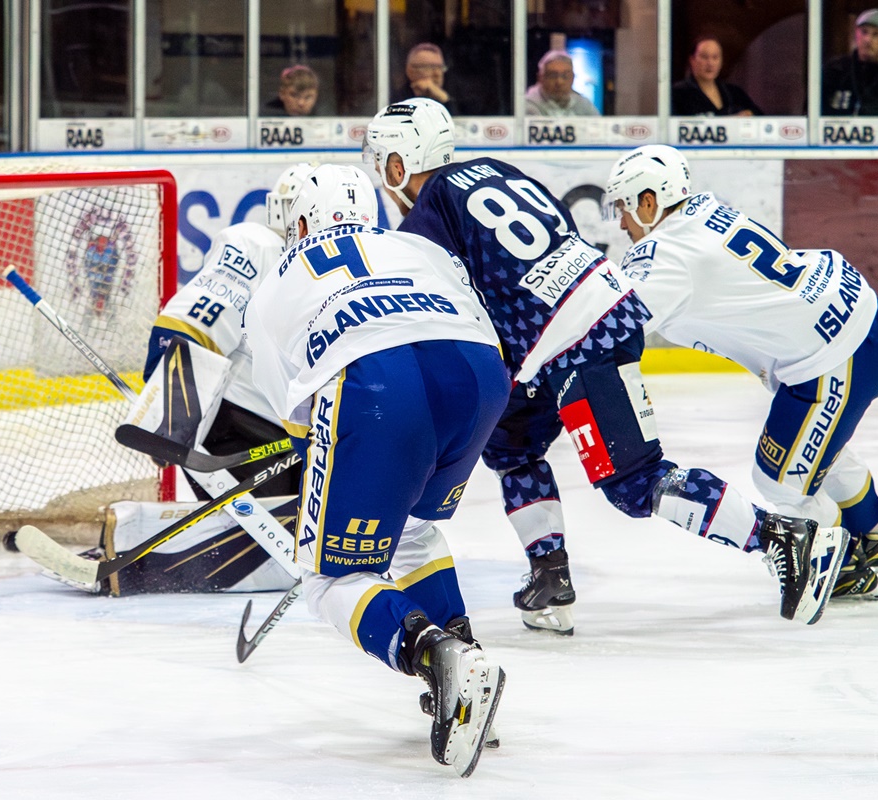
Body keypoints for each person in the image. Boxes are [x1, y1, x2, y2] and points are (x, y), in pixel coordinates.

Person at [363, 98, 848, 634]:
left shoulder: (427, 213)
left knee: (634, 483)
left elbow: (445, 304)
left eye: (383, 161)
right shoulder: (497, 171)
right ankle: (550, 574)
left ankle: (780, 537)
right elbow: (560, 233)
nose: (383, 176)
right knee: (511, 445)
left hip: (575, 339)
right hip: (580, 325)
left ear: (398, 162)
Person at [244, 163, 507, 776]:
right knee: (414, 531)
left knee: (331, 578)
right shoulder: (415, 244)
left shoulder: (279, 278)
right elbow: (472, 313)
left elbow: (298, 420)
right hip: (478, 376)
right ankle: (465, 663)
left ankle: (440, 659)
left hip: (379, 384)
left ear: (304, 221)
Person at [604, 144, 878, 599]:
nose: (622, 223)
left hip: (831, 356)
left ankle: (841, 566)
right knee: (817, 452)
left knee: (778, 478)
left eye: (624, 208)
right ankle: (877, 538)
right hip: (854, 311)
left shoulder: (663, 256)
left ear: (649, 202)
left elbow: (607, 325)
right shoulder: (705, 210)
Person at [38, 163, 318, 597]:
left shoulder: (340, 269)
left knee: (326, 534)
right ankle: (136, 548)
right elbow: (197, 316)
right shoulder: (258, 246)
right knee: (303, 535)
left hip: (306, 432)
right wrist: (170, 414)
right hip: (246, 426)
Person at [671, 36, 763, 117]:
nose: (710, 63)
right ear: (692, 60)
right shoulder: (677, 94)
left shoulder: (734, 93)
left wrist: (748, 114)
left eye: (715, 57)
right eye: (704, 57)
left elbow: (760, 117)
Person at [525, 50, 598, 117]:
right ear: (540, 78)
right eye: (553, 75)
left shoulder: (584, 104)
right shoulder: (527, 105)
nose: (559, 82)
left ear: (573, 78)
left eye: (565, 76)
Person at [397, 43, 458, 115]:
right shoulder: (396, 100)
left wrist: (445, 100)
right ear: (410, 71)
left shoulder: (454, 93)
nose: (437, 74)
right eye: (430, 67)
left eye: (440, 67)